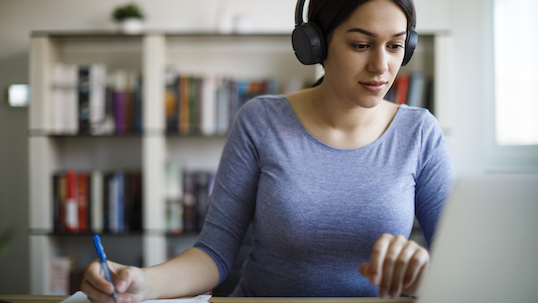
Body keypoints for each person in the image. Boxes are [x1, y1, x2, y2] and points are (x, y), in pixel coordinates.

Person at [81, 0, 456, 301]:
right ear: (316, 45)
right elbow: (214, 252)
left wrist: (425, 275)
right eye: (361, 45)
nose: (381, 66)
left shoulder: (419, 132)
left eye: (395, 46)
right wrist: (141, 284)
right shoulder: (261, 120)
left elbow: (459, 265)